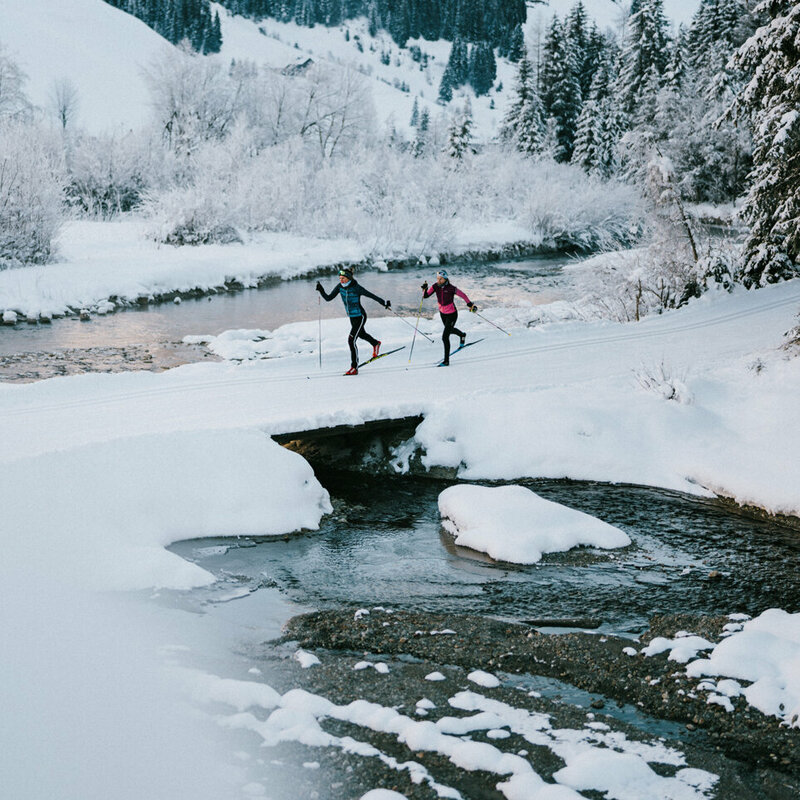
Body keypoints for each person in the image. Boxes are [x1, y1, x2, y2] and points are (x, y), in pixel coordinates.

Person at [316, 268, 391, 375]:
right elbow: (328, 298)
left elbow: (371, 296)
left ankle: (354, 367)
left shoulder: (356, 288)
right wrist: (321, 290)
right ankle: (375, 343)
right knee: (361, 334)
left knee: (351, 340)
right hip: (352, 317)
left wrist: (384, 303)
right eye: (340, 278)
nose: (341, 280)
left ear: (349, 278)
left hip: (360, 316)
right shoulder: (339, 287)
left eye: (343, 278)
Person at [421, 269, 477, 366]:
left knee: (445, 337)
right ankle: (462, 335)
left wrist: (470, 305)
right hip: (442, 314)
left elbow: (463, 295)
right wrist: (424, 289)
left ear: (445, 279)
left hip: (452, 315)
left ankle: (446, 361)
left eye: (441, 279)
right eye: (438, 278)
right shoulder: (435, 286)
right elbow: (426, 296)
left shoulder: (451, 288)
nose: (438, 281)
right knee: (450, 330)